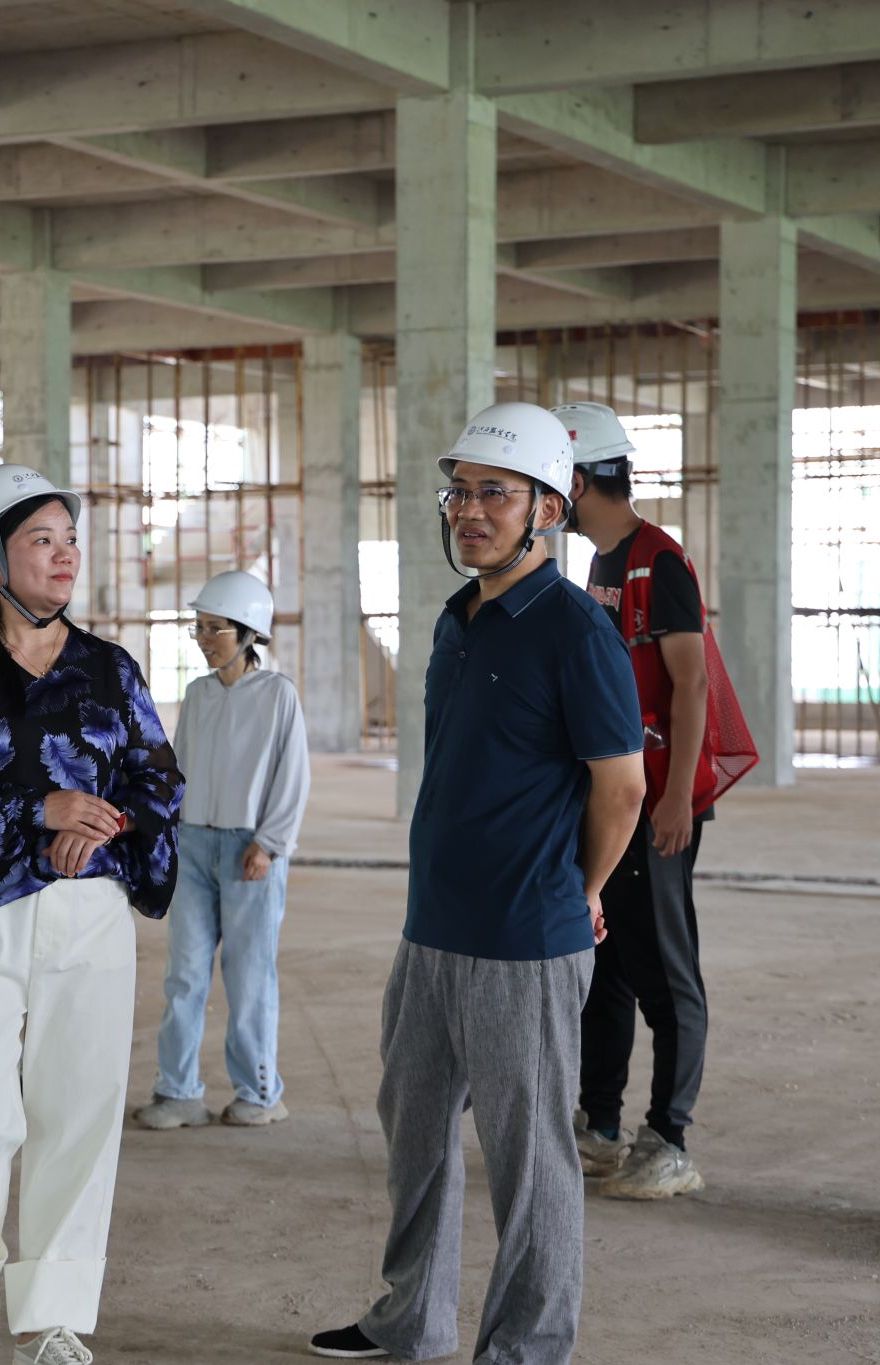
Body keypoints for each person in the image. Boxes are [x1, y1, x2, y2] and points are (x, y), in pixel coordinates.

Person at [311, 402, 646, 1363]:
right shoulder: (458, 619)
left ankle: (526, 1348)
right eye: (460, 491)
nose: (469, 510)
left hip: (524, 939)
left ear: (549, 508)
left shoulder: (576, 632)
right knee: (415, 1132)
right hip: (433, 929)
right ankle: (411, 1320)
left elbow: (622, 787)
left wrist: (582, 888)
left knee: (529, 1159)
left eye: (495, 493)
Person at [0, 464, 183, 1365]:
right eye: (41, 540)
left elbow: (158, 781)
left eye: (70, 540)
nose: (64, 557)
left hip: (88, 909)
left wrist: (101, 827)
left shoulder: (110, 668)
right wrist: (41, 810)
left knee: (78, 1114)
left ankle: (50, 1319)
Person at [558, 401, 756, 1200]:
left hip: (659, 802)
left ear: (577, 481)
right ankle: (600, 1126)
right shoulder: (603, 564)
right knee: (606, 960)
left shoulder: (657, 561)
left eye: (549, 483)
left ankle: (669, 1139)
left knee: (666, 972)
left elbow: (691, 681)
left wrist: (676, 799)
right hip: (617, 797)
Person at [134, 570, 310, 1131]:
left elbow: (292, 778)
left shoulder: (278, 695)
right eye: (200, 628)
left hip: (249, 850)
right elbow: (179, 769)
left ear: (248, 633)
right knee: (184, 974)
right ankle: (177, 1092)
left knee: (248, 976)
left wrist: (270, 844)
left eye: (216, 629)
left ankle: (260, 1092)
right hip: (193, 844)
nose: (205, 639)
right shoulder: (197, 694)